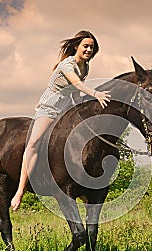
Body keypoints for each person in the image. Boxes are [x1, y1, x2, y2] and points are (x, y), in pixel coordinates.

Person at [11, 30, 111, 211]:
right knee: (33, 143)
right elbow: (77, 85)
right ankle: (20, 190)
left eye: (91, 47)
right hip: (49, 108)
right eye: (85, 46)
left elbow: (76, 93)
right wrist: (96, 94)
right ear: (76, 47)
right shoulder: (67, 65)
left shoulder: (85, 67)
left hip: (66, 109)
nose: (88, 50)